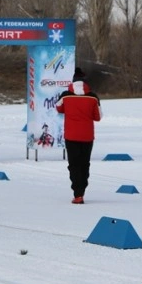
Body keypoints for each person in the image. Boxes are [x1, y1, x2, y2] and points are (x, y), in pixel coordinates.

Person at [55, 67, 102, 204]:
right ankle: (82, 188)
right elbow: (98, 117)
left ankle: (78, 193)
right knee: (84, 164)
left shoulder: (65, 95)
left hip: (71, 136)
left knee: (74, 164)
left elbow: (58, 108)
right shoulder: (93, 97)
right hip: (87, 136)